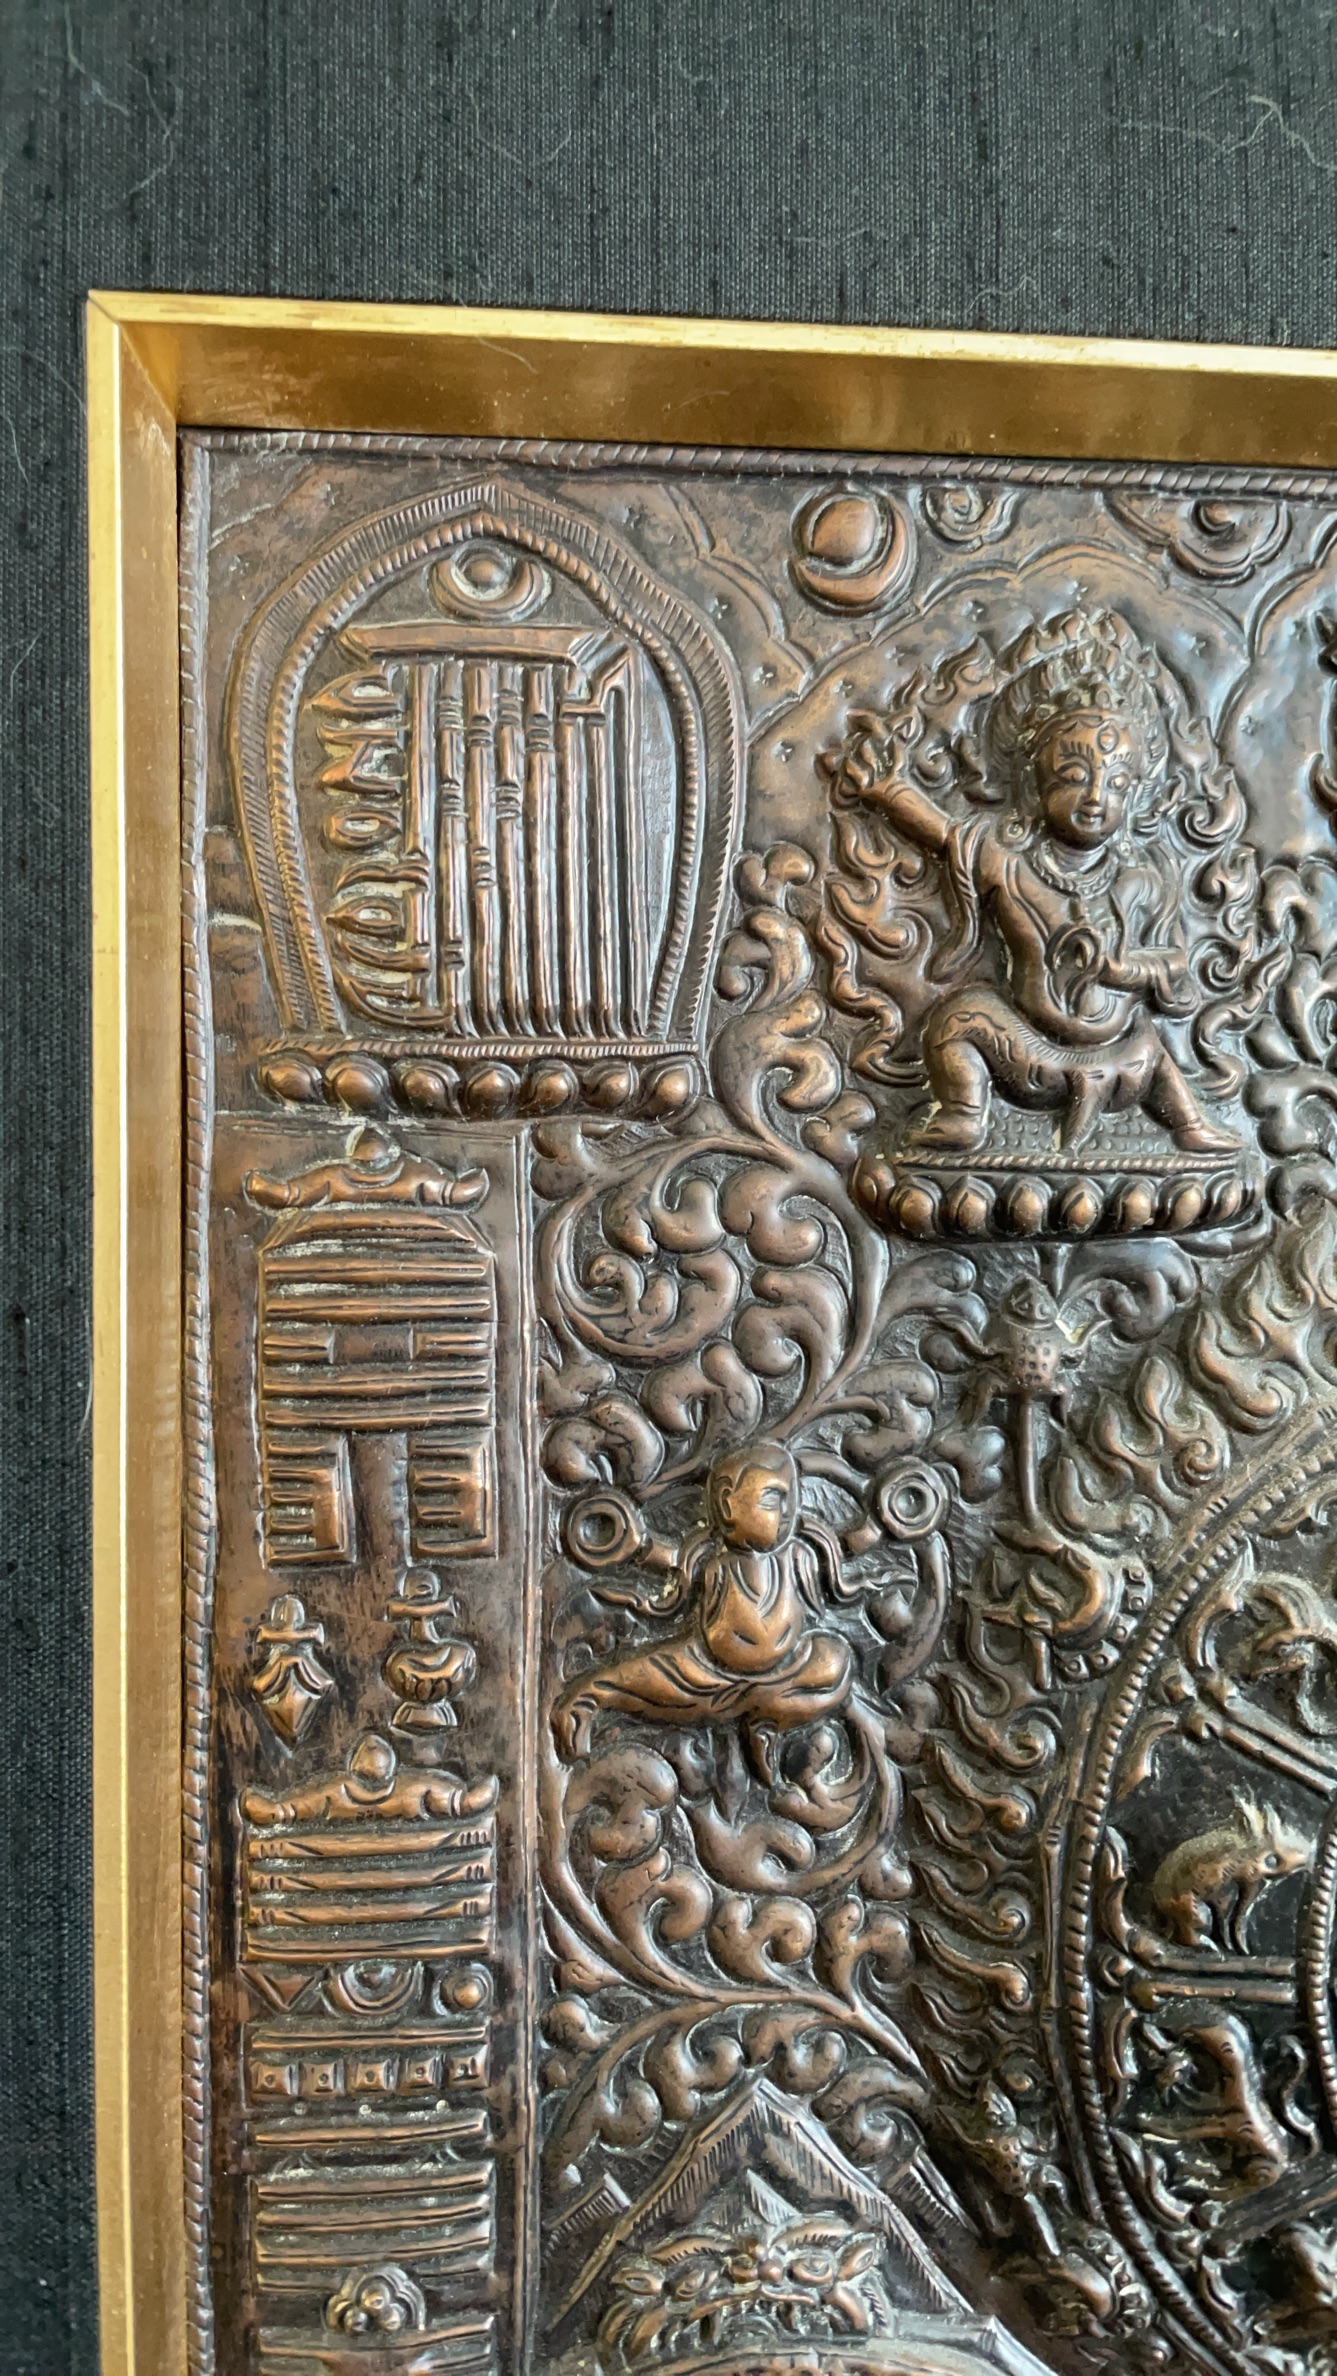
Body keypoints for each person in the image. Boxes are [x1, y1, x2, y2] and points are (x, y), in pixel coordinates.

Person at [828, 636, 1238, 1160]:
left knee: (1155, 1049)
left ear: (1135, 793)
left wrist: (1122, 970)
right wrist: (887, 790)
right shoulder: (1008, 861)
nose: (1096, 797)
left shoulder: (1143, 878)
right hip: (1024, 1055)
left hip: (1122, 1062)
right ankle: (964, 1113)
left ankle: (1189, 1124)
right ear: (1032, 779)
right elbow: (946, 833)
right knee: (959, 1019)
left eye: (1116, 783)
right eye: (1074, 777)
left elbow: (1175, 961)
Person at [552, 1442, 852, 1780]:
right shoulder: (713, 1562)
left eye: (790, 1499)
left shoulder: (797, 1556)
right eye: (771, 1499)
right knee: (656, 1672)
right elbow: (671, 1560)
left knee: (834, 1661)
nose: (785, 1513)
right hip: (711, 1676)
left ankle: (764, 1720)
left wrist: (881, 1523)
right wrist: (636, 1544)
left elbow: (846, 1549)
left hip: (789, 1670)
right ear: (726, 1504)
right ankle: (588, 1699)